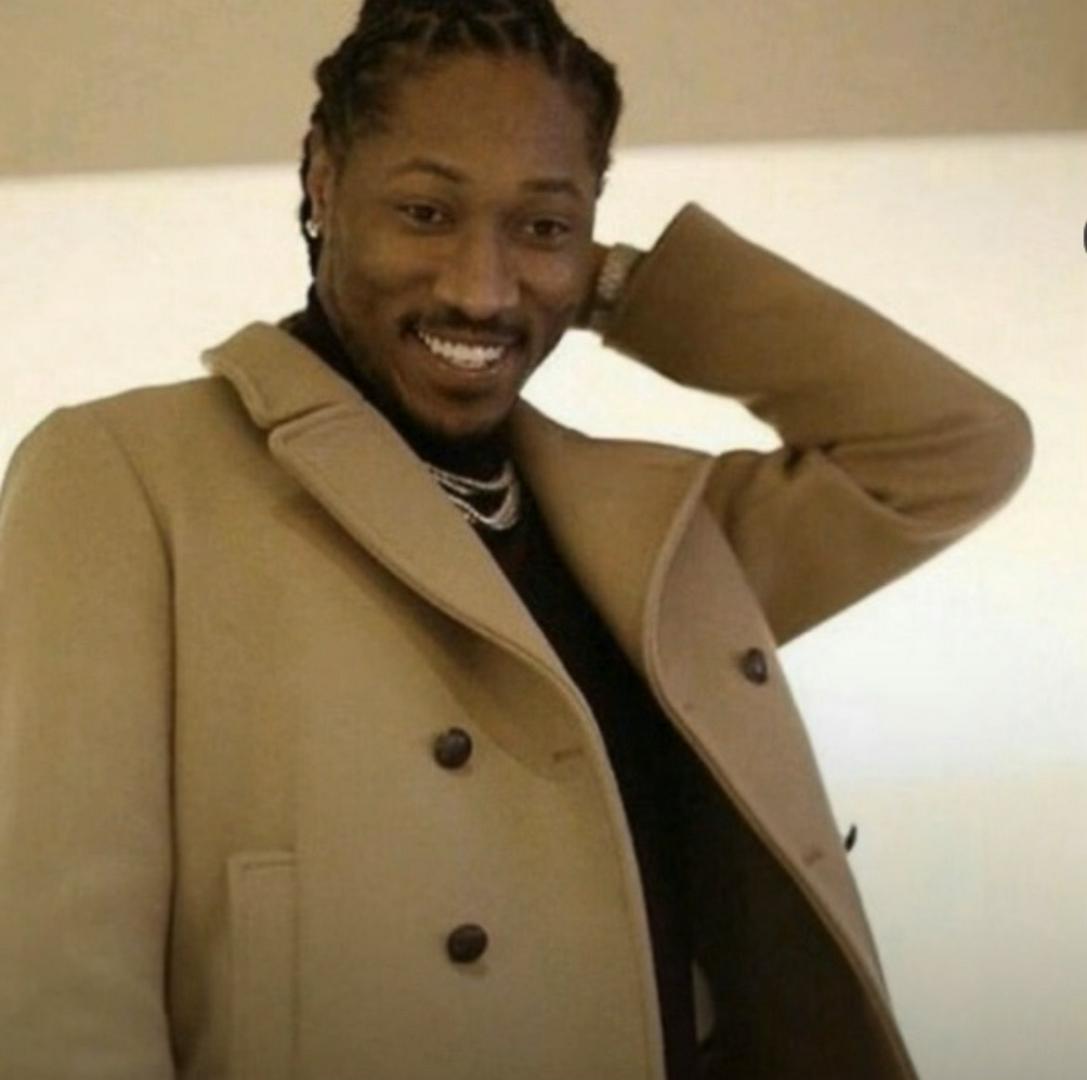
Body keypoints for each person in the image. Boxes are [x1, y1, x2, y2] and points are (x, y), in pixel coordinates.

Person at [0, 1, 1032, 1078]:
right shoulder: (127, 474)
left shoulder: (650, 540)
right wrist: (539, 234)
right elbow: (61, 987)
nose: (480, 290)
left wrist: (619, 287)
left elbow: (956, 448)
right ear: (322, 181)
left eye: (541, 228)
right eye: (425, 212)